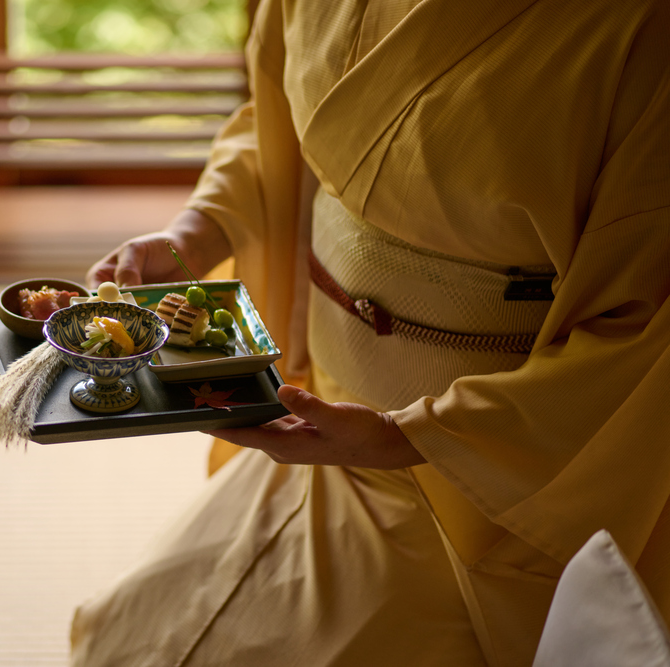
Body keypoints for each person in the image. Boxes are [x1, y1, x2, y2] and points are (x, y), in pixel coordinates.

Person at [71, 0, 670, 665]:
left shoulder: (644, 27)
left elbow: (645, 335)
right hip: (314, 419)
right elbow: (281, 123)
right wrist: (199, 231)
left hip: (488, 489)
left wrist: (403, 437)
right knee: (130, 628)